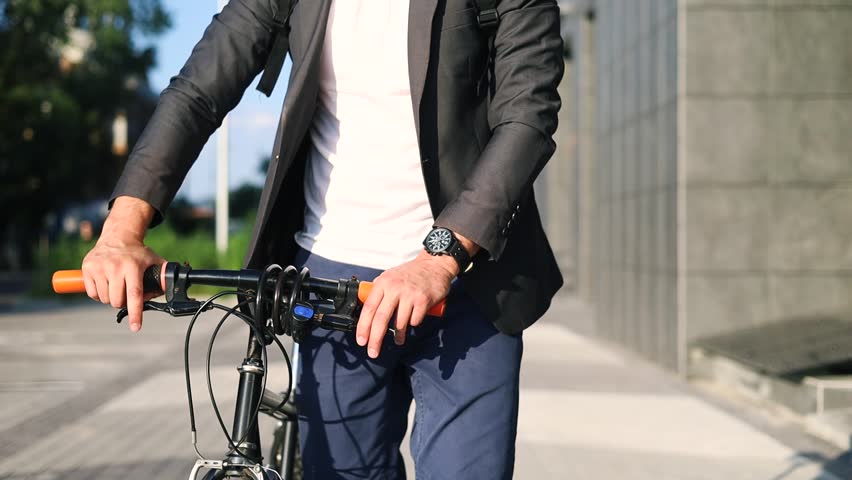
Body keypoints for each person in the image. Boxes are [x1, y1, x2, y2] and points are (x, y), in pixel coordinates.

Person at [82, 0, 564, 478]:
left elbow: (527, 116)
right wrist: (122, 231)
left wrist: (439, 258)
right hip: (332, 288)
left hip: (465, 286)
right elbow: (197, 91)